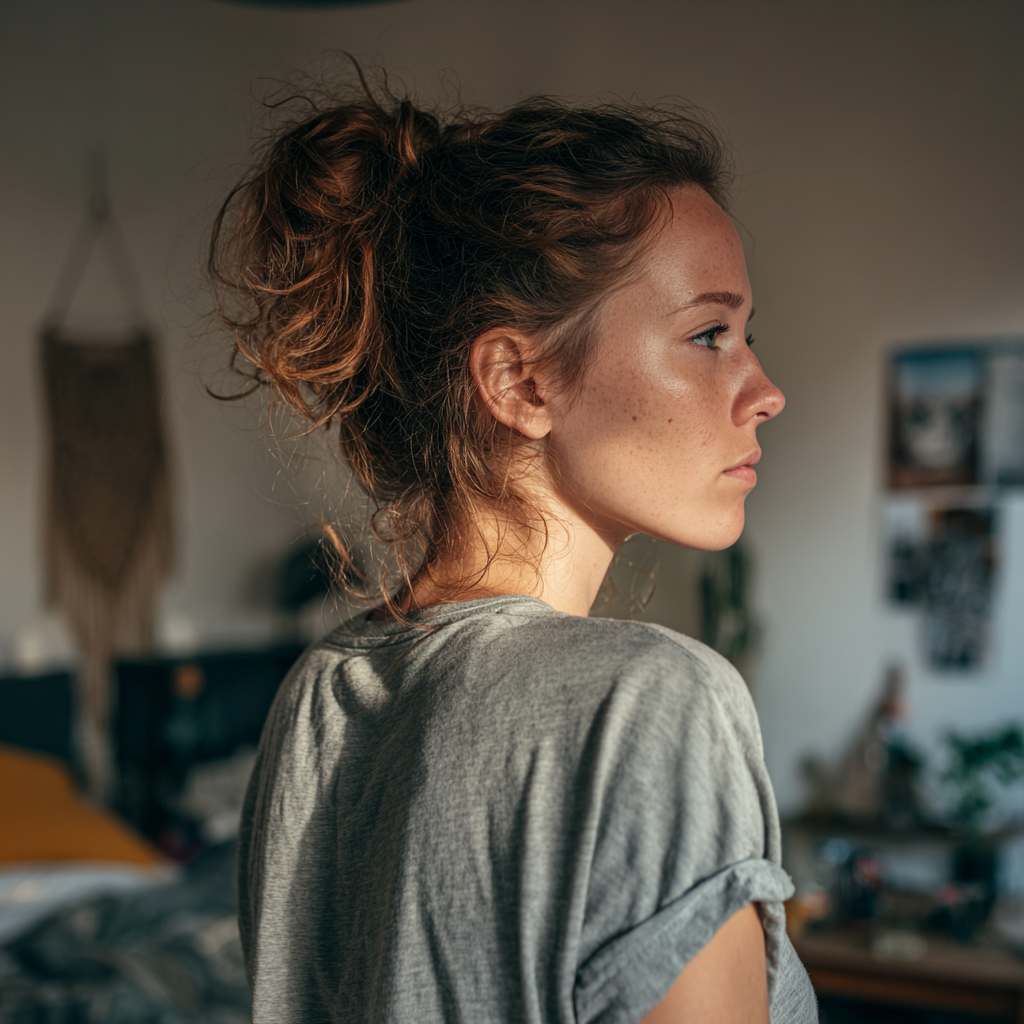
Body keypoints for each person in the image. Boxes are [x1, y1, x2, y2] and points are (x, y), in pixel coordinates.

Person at [212, 75, 818, 1023]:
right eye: (709, 335)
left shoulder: (317, 697)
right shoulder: (653, 701)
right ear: (520, 382)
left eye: (746, 335)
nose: (765, 391)